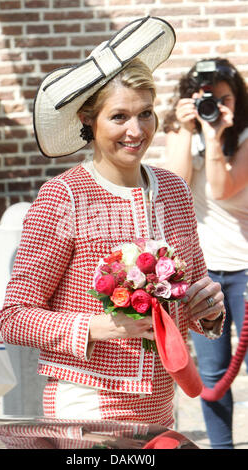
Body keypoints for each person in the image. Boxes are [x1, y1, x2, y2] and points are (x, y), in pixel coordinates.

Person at [0, 17, 225, 427]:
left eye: (145, 114)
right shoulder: (64, 195)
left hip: (161, 405)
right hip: (86, 402)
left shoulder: (175, 190)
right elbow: (14, 316)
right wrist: (97, 326)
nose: (136, 131)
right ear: (89, 120)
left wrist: (206, 310)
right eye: (119, 117)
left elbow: (186, 302)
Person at [162, 57, 248, 448]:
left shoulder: (245, 136)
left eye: (223, 98)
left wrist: (215, 138)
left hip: (245, 268)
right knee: (212, 376)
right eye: (206, 98)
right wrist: (184, 128)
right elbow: (175, 186)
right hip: (203, 271)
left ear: (238, 98)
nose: (216, 106)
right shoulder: (187, 128)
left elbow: (221, 189)